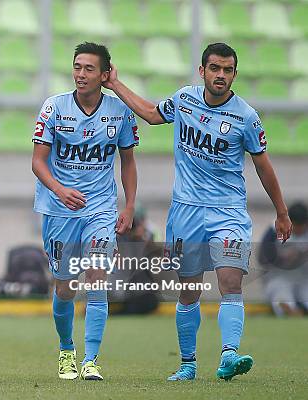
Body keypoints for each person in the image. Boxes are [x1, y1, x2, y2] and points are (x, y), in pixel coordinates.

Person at [103, 42, 293, 381]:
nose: (221, 75)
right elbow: (149, 113)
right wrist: (115, 83)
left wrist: (281, 211)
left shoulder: (246, 117)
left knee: (230, 280)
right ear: (202, 71)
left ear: (235, 74)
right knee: (189, 289)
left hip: (228, 212)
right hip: (186, 212)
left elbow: (263, 166)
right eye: (215, 68)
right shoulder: (184, 100)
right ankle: (188, 364)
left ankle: (229, 356)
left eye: (228, 70)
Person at [31, 42, 138, 381]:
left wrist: (129, 205)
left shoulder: (119, 112)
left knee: (96, 277)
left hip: (101, 209)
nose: (80, 74)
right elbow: (38, 162)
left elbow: (129, 163)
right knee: (65, 287)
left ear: (105, 75)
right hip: (59, 209)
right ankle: (67, 350)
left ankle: (91, 359)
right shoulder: (54, 107)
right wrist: (61, 190)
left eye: (89, 68)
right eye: (77, 66)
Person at [259, 202, 308, 316]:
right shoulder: (274, 230)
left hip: (304, 277)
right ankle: (289, 310)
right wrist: (281, 259)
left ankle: (300, 310)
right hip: (280, 276)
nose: (299, 231)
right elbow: (263, 259)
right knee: (282, 296)